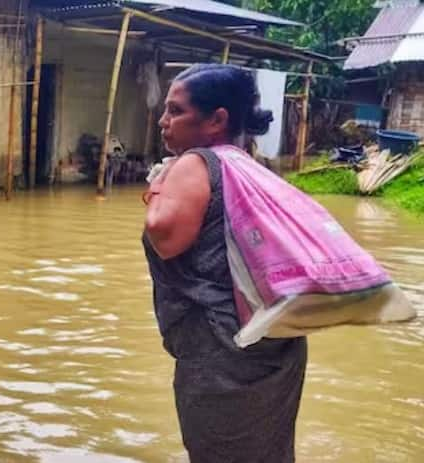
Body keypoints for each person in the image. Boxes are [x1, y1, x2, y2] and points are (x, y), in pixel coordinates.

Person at [142, 64, 307, 463]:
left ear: (216, 120)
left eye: (176, 111)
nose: (164, 122)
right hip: (276, 341)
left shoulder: (196, 162)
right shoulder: (253, 167)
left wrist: (158, 184)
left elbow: (164, 234)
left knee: (216, 451)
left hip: (223, 350)